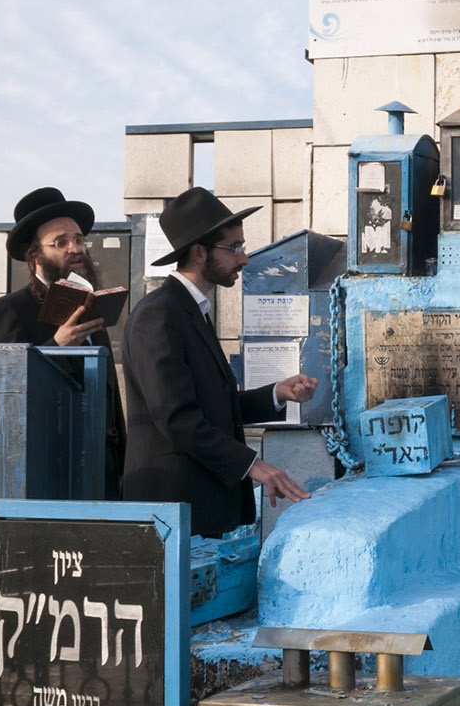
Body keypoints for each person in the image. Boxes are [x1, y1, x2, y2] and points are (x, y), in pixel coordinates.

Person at [121, 188, 315, 538]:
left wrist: (276, 393)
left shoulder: (191, 310)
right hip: (174, 510)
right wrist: (253, 465)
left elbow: (213, 406)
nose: (244, 260)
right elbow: (178, 418)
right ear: (198, 253)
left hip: (200, 509)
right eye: (234, 248)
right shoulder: (159, 315)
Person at [0, 187, 126, 495]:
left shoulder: (91, 306)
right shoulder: (8, 310)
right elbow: (2, 397)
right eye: (61, 242)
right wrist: (56, 347)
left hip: (102, 468)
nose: (75, 248)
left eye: (78, 239)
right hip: (50, 469)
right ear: (35, 257)